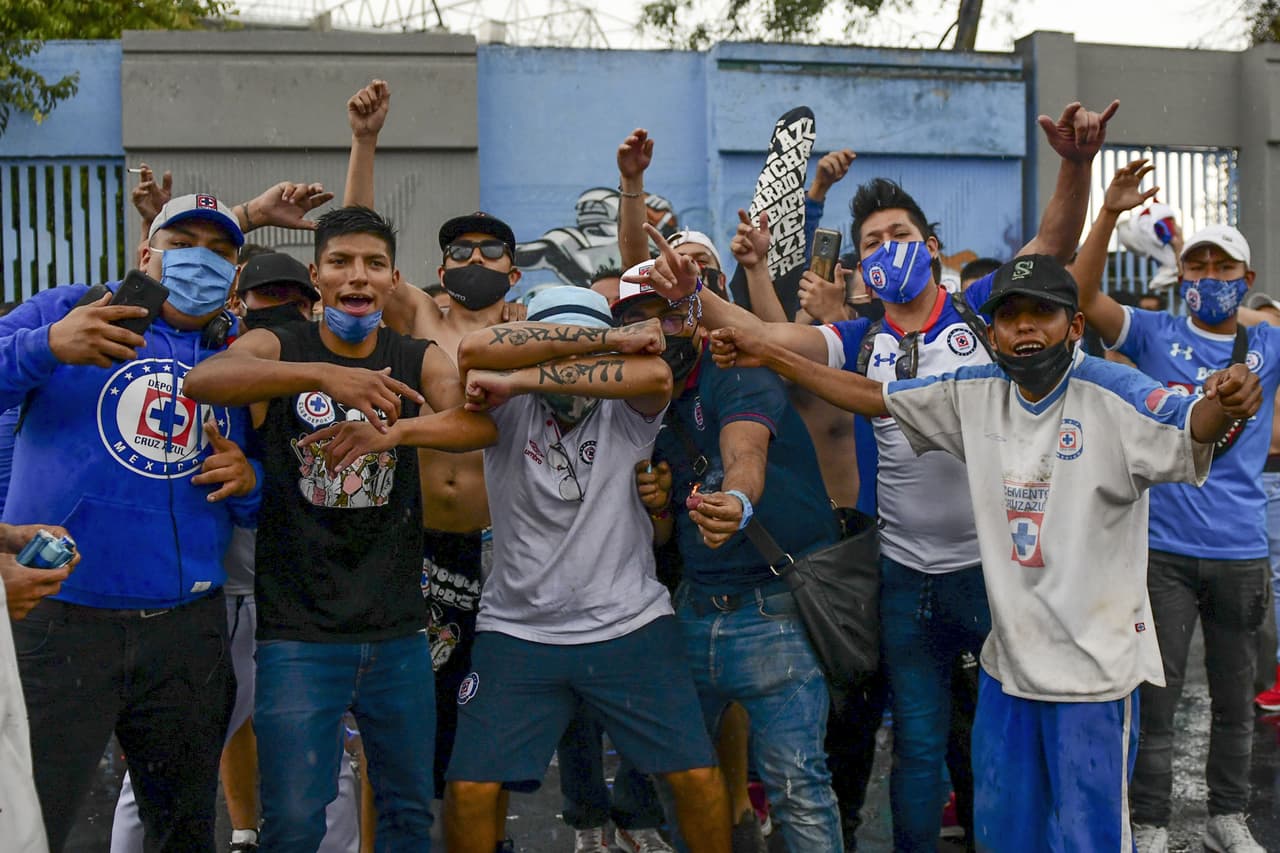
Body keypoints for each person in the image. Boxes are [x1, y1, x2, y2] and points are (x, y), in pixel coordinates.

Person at [632, 97, 1118, 851]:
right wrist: (695, 297)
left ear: (929, 245)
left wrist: (1076, 164)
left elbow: (1052, 245)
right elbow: (764, 331)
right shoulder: (858, 336)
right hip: (901, 574)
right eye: (871, 241)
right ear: (861, 264)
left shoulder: (979, 311)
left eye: (898, 234)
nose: (886, 246)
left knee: (991, 741)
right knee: (916, 747)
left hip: (991, 572)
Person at [710, 253, 1262, 852]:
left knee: (1087, 840)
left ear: (1074, 327)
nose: (1025, 327)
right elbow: (874, 395)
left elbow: (1190, 425)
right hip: (1008, 674)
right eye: (1010, 316)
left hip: (1093, 682)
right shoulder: (974, 392)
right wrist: (769, 354)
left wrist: (1226, 401)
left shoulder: (1116, 394)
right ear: (991, 332)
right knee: (1006, 836)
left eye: (1041, 313)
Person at [184, 205, 497, 852]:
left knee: (408, 815)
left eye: (373, 263)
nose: (358, 275)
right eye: (341, 262)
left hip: (399, 633)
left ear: (393, 279)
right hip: (299, 635)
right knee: (295, 822)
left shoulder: (414, 354)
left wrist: (398, 431)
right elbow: (205, 378)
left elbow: (477, 424)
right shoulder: (284, 346)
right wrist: (324, 373)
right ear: (316, 275)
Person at [0, 193, 263, 852]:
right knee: (27, 822)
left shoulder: (240, 357)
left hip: (185, 635)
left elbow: (265, 497)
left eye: (221, 249)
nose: (200, 259)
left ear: (235, 275)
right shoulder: (68, 309)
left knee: (181, 830)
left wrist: (250, 481)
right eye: (183, 242)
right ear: (145, 252)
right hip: (56, 622)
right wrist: (48, 346)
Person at [442, 286, 732, 853]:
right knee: (472, 789)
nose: (573, 366)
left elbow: (654, 379)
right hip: (518, 629)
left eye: (589, 350)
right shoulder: (502, 407)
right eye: (557, 345)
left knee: (696, 777)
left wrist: (531, 373)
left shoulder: (625, 407)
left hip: (629, 623)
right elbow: (475, 350)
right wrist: (591, 344)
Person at [342, 79, 527, 846]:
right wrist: (365, 143)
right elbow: (355, 247)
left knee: (485, 731)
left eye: (491, 251)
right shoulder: (420, 315)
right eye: (459, 250)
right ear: (438, 267)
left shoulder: (533, 325)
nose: (474, 259)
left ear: (514, 270)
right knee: (399, 726)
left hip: (504, 550)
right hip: (418, 549)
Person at [614, 259, 845, 851]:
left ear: (694, 314)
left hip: (775, 612)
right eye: (638, 320)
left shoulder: (734, 368)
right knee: (683, 780)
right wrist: (661, 507)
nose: (656, 332)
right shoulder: (639, 401)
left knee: (797, 788)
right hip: (693, 610)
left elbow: (745, 451)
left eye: (668, 313)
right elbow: (663, 540)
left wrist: (737, 499)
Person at [1071, 218, 1276, 853]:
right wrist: (1107, 212)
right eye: (1196, 267)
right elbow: (1080, 297)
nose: (1208, 280)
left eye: (1222, 270)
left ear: (1247, 279)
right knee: (1158, 700)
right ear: (1180, 274)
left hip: (1242, 548)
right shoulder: (1154, 331)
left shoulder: (1266, 342)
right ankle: (1153, 822)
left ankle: (1227, 818)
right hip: (1161, 551)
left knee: (1235, 698)